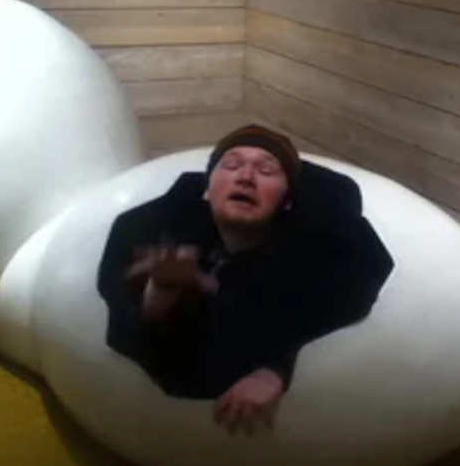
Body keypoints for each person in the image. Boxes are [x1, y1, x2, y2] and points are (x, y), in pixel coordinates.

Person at [97, 125, 393, 435]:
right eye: (231, 165)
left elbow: (329, 307)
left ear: (287, 202)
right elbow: (151, 350)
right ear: (206, 190)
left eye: (266, 170)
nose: (246, 177)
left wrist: (275, 369)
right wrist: (160, 292)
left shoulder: (324, 257)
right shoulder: (154, 234)